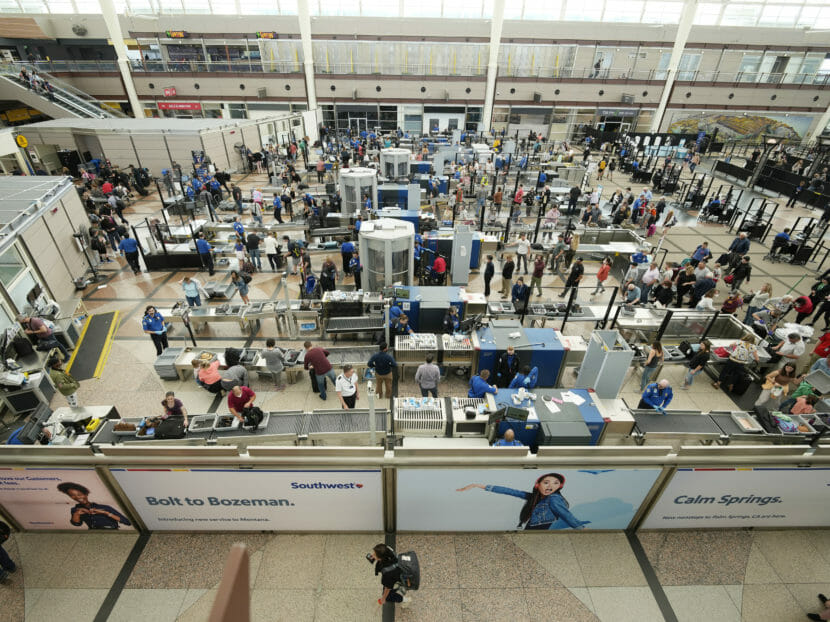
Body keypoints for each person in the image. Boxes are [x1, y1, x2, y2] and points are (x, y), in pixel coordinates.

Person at [456, 472, 588, 530]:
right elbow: (510, 491)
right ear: (538, 485)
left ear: (560, 486)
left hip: (538, 529)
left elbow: (566, 515)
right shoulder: (535, 497)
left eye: (555, 483)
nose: (550, 486)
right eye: (546, 482)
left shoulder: (553, 499)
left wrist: (580, 528)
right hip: (533, 528)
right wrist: (479, 485)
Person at [57, 482, 131, 530]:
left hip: (112, 531)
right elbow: (76, 524)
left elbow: (127, 522)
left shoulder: (105, 507)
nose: (77, 497)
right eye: (72, 496)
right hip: (94, 533)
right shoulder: (75, 509)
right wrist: (77, 514)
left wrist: (105, 513)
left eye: (79, 494)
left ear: (86, 493)